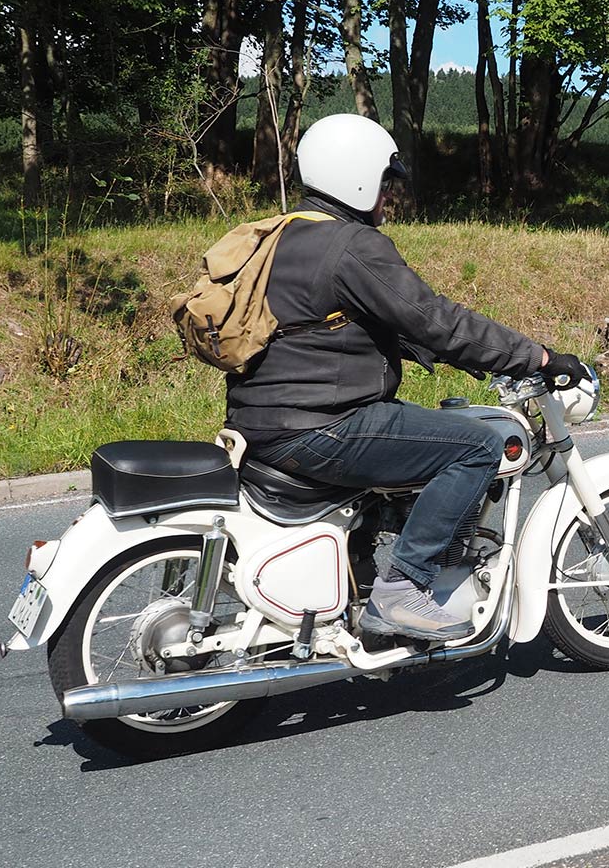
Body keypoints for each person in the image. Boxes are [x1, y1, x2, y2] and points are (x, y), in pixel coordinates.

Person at [225, 113, 584, 641]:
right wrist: (538, 357)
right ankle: (402, 589)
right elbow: (436, 319)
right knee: (476, 446)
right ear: (356, 177)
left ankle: (362, 571)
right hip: (320, 426)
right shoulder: (351, 245)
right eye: (385, 182)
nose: (388, 196)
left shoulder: (279, 237)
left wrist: (454, 354)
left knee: (409, 440)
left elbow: (328, 327)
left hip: (263, 423)